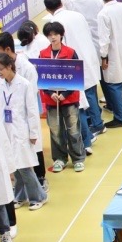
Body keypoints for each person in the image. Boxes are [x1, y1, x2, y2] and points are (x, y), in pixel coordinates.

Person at [0, 54, 47, 211]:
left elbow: (32, 111)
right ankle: (20, 196)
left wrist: (33, 133)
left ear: (9, 66)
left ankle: (39, 196)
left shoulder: (24, 85)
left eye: (0, 69)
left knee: (25, 167)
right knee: (13, 165)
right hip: (6, 130)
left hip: (21, 130)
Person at [38, 21, 86, 173]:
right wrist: (50, 93)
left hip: (69, 99)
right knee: (55, 130)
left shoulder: (70, 53)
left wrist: (64, 94)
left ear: (61, 35)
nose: (53, 37)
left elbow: (77, 75)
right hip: (51, 99)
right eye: (50, 35)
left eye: (55, 34)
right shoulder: (43, 54)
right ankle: (59, 158)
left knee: (73, 129)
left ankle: (78, 158)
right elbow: (41, 77)